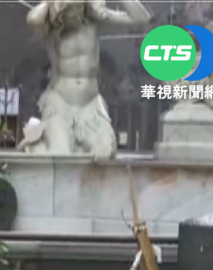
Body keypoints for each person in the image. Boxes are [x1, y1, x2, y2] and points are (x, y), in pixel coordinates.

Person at [18, 0, 151, 158]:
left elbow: (141, 18)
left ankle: (56, 140)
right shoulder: (51, 26)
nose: (76, 13)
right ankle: (39, 143)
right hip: (60, 103)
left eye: (79, 8)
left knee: (105, 152)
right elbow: (32, 19)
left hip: (91, 106)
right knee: (61, 154)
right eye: (72, 9)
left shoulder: (94, 21)